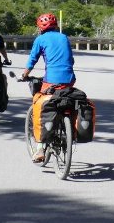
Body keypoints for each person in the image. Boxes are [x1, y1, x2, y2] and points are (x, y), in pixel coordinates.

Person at [21, 12, 75, 162]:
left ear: (40, 27)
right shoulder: (64, 37)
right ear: (56, 25)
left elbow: (32, 60)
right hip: (69, 79)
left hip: (51, 80)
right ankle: (67, 127)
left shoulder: (40, 39)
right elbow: (71, 59)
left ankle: (39, 149)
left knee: (39, 102)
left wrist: (24, 75)